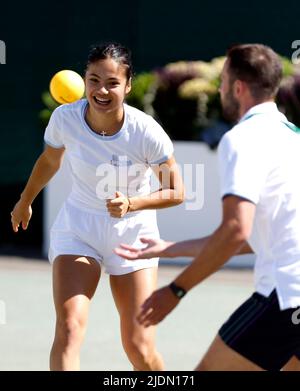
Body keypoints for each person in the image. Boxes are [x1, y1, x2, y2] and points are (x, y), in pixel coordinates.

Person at [115, 43, 300, 371]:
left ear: (238, 88)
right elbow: (259, 236)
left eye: (224, 81)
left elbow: (235, 229)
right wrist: (171, 249)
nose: (219, 88)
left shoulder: (242, 139)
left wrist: (176, 289)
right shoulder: (294, 138)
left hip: (286, 297)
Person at [10, 42, 184, 371]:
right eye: (93, 80)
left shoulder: (145, 132)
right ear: (84, 80)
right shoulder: (66, 118)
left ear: (128, 85)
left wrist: (133, 203)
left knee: (139, 346)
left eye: (112, 82)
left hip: (134, 234)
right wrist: (24, 201)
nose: (101, 90)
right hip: (79, 229)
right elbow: (49, 161)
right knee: (69, 328)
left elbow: (176, 191)